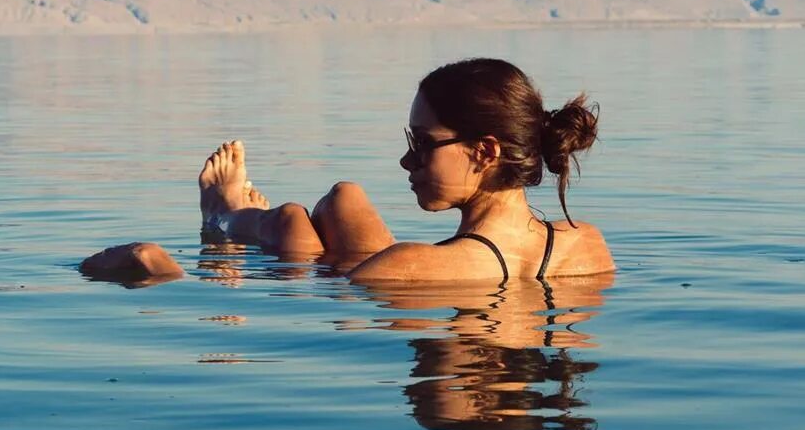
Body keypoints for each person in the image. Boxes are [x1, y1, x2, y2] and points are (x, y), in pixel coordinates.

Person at [81, 57, 614, 283]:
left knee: (292, 225)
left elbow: (323, 300)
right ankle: (235, 213)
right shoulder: (586, 244)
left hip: (369, 274)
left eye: (423, 145)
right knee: (344, 196)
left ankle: (224, 215)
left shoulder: (405, 266)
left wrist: (153, 267)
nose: (407, 161)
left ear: (485, 152)